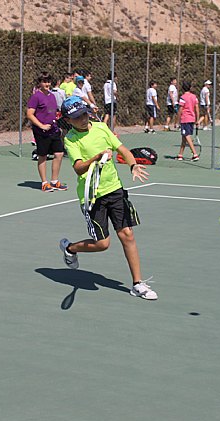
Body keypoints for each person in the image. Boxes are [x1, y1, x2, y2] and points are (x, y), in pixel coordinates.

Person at [58, 95, 157, 300]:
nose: (83, 119)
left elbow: (122, 149)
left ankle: (138, 284)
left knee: (127, 234)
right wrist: (96, 158)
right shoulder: (70, 139)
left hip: (115, 189)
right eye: (77, 117)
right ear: (68, 120)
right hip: (92, 196)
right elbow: (78, 168)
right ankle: (70, 248)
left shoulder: (102, 128)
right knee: (102, 244)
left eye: (84, 114)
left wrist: (133, 164)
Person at [26, 72, 68, 192]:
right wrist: (41, 126)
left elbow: (53, 112)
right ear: (39, 83)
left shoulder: (52, 96)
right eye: (44, 81)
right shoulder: (35, 97)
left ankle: (54, 181)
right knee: (43, 156)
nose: (47, 84)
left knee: (59, 154)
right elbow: (29, 114)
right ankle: (44, 183)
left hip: (53, 130)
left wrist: (57, 123)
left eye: (48, 81)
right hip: (41, 132)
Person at [175, 81, 200, 161]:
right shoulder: (194, 97)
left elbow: (180, 110)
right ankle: (180, 155)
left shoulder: (182, 98)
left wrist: (177, 121)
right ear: (190, 88)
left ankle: (195, 154)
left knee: (187, 136)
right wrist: (197, 119)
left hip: (185, 119)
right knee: (184, 137)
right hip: (192, 119)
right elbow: (197, 109)